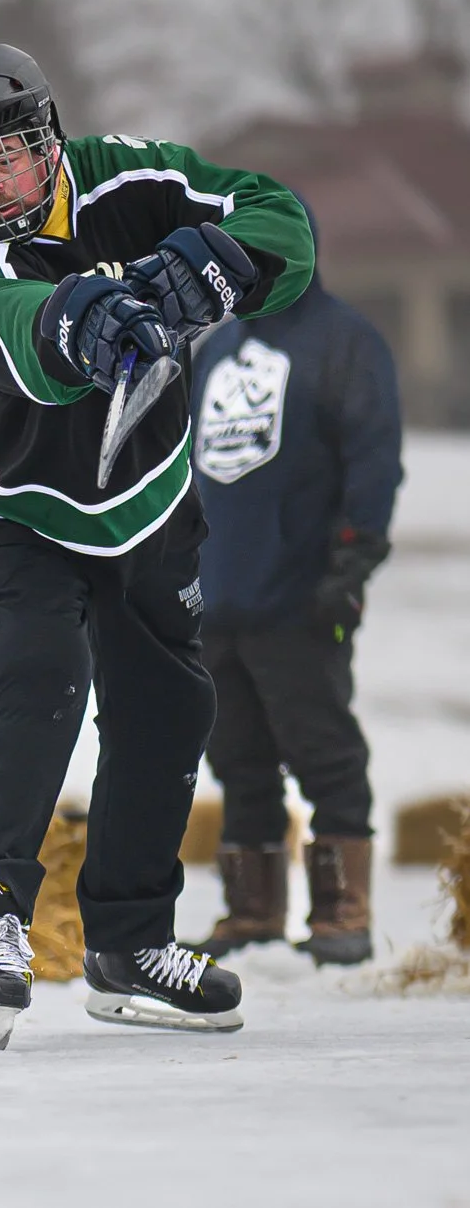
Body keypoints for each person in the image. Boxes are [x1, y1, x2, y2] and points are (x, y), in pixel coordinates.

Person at [0, 44, 314, 1049]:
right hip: (23, 507)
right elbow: (20, 330)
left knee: (170, 701)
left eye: (6, 160)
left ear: (49, 143)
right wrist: (83, 318)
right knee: (39, 667)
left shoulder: (132, 177)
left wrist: (219, 264)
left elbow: (277, 215)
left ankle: (129, 946)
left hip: (149, 499)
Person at [182, 197, 402, 967]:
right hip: (217, 596)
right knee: (235, 757)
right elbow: (189, 469)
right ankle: (251, 910)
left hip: (302, 593)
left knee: (322, 749)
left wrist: (349, 565)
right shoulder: (215, 345)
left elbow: (373, 462)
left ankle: (342, 907)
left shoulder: (345, 342)